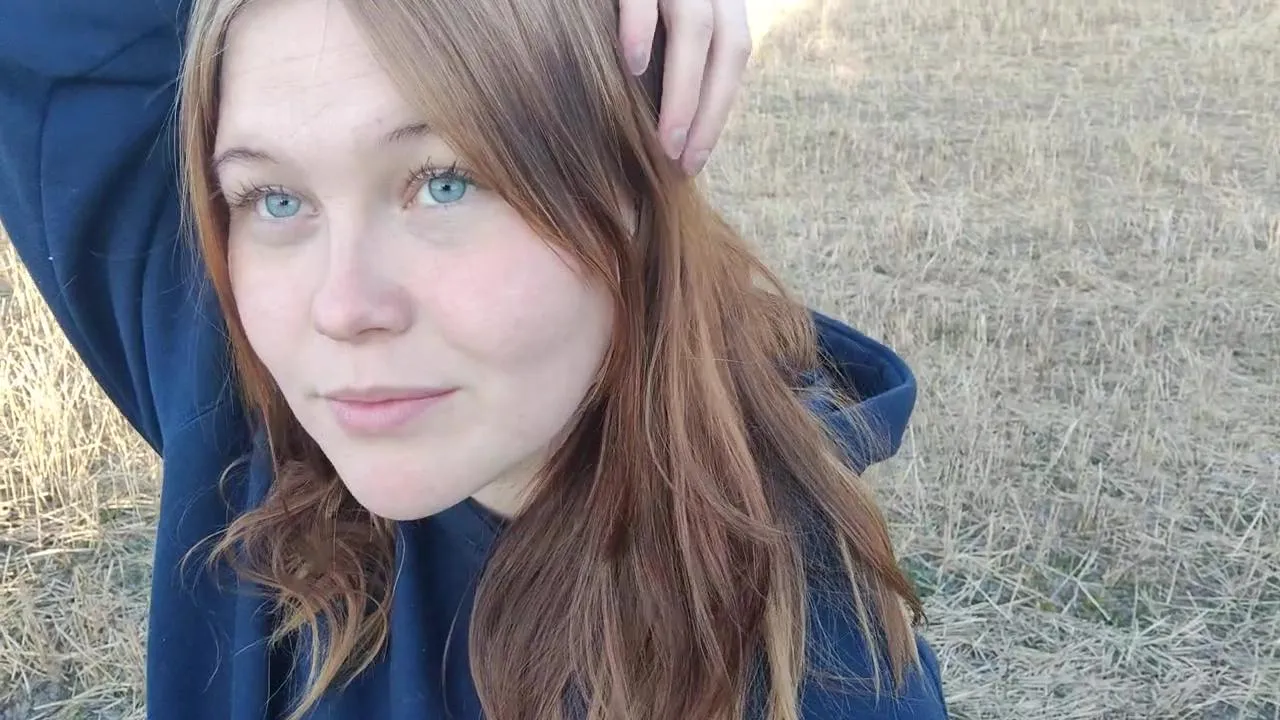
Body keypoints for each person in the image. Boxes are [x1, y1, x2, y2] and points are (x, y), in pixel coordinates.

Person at [0, 0, 949, 717]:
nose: (342, 309)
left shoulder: (808, 673)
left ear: (632, 191)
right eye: (275, 199)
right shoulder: (237, 402)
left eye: (445, 183)